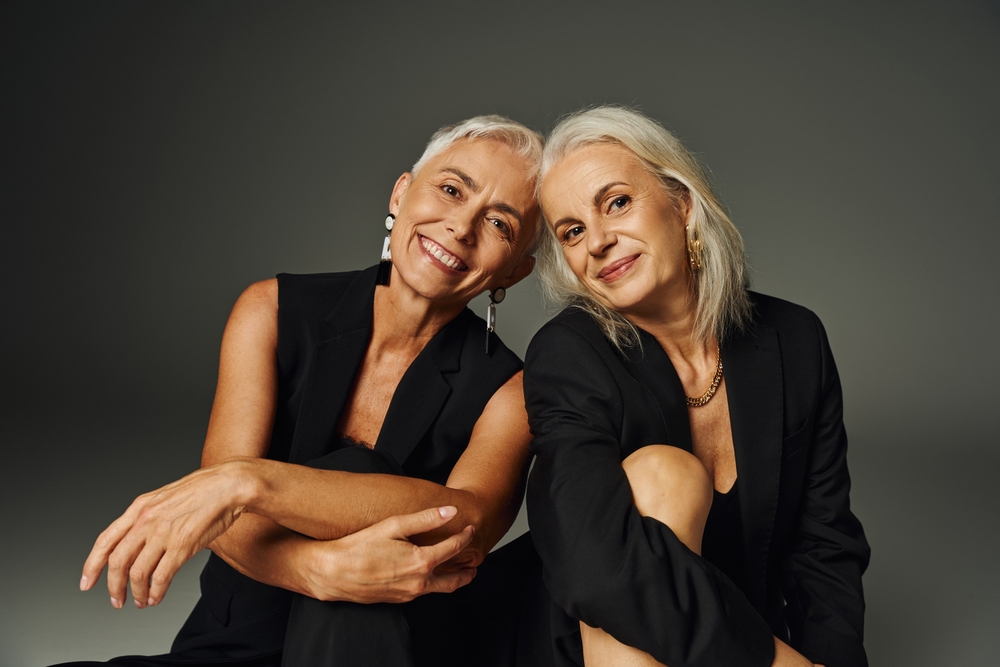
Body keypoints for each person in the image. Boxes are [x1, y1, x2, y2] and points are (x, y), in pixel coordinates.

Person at [62, 115, 545, 667]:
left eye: (500, 225)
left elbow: (466, 522)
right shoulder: (268, 311)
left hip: (397, 647)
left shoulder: (511, 390)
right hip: (238, 638)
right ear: (402, 192)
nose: (461, 227)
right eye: (451, 189)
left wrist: (250, 480)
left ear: (515, 271)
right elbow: (221, 525)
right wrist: (318, 572)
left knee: (366, 476)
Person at [523, 107, 870, 667]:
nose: (599, 241)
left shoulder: (793, 338)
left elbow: (823, 545)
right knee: (663, 474)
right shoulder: (569, 354)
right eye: (572, 232)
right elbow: (596, 568)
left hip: (732, 647)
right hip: (598, 647)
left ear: (682, 204)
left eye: (617, 202)